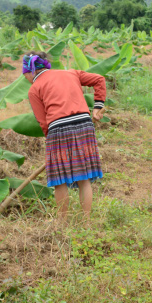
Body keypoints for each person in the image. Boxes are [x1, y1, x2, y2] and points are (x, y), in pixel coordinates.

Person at [23, 52, 106, 219]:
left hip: (58, 129)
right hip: (84, 125)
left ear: (29, 71)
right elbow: (99, 79)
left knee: (59, 180)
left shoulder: (34, 89)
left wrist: (52, 143)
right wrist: (98, 106)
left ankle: (62, 223)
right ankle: (86, 223)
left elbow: (43, 122)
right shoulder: (71, 73)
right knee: (84, 177)